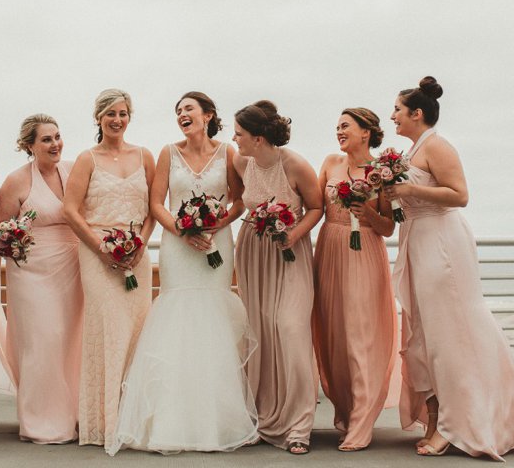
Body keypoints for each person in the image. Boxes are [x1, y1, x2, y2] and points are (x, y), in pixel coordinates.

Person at [386, 77, 514, 459]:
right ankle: (443, 417)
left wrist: (410, 190)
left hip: (442, 243)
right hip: (417, 240)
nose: (392, 116)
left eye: (397, 109)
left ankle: (458, 423)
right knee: (430, 331)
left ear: (417, 113)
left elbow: (459, 195)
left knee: (451, 331)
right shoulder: (412, 151)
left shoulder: (438, 146)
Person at [107, 92, 258, 455]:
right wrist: (182, 230)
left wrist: (213, 226)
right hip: (178, 245)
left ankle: (214, 420)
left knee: (211, 322)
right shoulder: (167, 153)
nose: (181, 115)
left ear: (207, 115)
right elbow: (156, 203)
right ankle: (169, 419)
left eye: (188, 109)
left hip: (216, 245)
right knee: (177, 318)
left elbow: (239, 200)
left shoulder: (228, 153)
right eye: (177, 111)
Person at [63, 88, 156, 450]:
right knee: (109, 329)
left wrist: (141, 243)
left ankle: (135, 418)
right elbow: (71, 210)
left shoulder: (145, 156)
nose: (117, 120)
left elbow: (154, 208)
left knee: (137, 329)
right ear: (98, 118)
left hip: (137, 254)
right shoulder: (87, 159)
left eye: (123, 113)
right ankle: (105, 421)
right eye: (110, 114)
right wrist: (102, 249)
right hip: (97, 251)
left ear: (129, 117)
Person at [231, 100, 323, 455]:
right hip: (254, 252)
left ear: (257, 137)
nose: (234, 139)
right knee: (261, 331)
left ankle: (300, 423)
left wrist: (294, 234)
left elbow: (317, 207)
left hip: (290, 253)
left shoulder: (295, 164)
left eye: (239, 134)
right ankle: (263, 415)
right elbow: (239, 202)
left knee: (290, 328)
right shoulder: (241, 162)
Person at [312, 108, 398, 452]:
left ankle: (363, 421)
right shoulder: (330, 162)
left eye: (345, 126)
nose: (338, 132)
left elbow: (390, 228)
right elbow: (315, 207)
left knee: (360, 334)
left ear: (366, 132)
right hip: (330, 249)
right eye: (336, 127)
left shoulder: (383, 172)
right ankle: (346, 410)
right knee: (334, 334)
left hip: (364, 251)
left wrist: (369, 214)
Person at [0, 114, 83, 443]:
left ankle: (72, 414)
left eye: (57, 136)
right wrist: (13, 242)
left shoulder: (74, 170)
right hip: (32, 273)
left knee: (71, 340)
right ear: (28, 145)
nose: (55, 144)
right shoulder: (16, 182)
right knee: (43, 341)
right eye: (46, 139)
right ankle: (40, 420)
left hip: (73, 267)